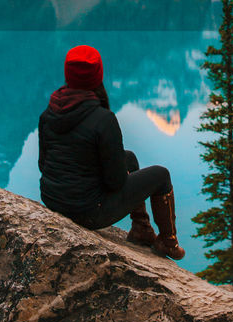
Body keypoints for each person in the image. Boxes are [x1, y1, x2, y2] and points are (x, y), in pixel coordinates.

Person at [38, 44, 185, 260]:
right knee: (161, 175)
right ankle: (167, 242)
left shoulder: (49, 113)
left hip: (53, 199)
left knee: (130, 158)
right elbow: (116, 181)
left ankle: (141, 229)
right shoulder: (103, 120)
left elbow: (44, 164)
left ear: (68, 74)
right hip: (87, 212)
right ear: (97, 76)